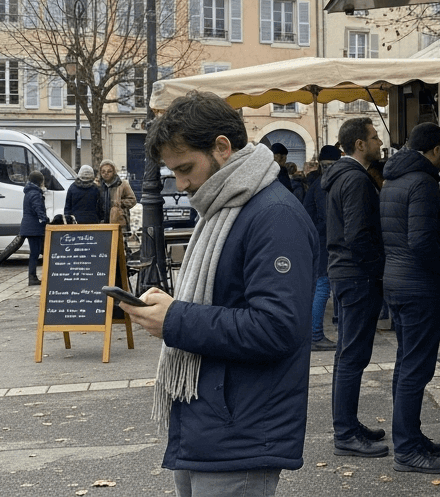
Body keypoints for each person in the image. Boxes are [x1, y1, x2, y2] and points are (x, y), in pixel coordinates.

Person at [118, 91, 316, 497]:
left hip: (240, 431)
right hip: (210, 422)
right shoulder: (225, 206)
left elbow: (277, 328)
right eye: (173, 172)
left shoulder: (274, 215)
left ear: (222, 148)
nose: (181, 183)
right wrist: (172, 312)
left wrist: (175, 318)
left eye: (186, 168)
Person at [380, 123, 440, 474]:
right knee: (415, 368)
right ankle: (407, 449)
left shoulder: (393, 179)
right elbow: (423, 241)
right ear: (436, 149)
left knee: (405, 363)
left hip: (397, 282)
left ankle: (409, 435)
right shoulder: (423, 182)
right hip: (418, 286)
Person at [323, 117, 389, 458]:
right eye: (375, 137)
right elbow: (358, 234)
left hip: (347, 273)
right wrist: (378, 270)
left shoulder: (343, 176)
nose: (380, 142)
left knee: (347, 354)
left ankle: (347, 424)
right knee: (352, 356)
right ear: (360, 144)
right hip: (357, 275)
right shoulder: (356, 179)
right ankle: (345, 432)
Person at [302, 145, 343, 352]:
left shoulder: (319, 182)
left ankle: (315, 334)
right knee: (322, 286)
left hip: (317, 240)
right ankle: (315, 335)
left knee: (321, 285)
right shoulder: (324, 185)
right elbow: (328, 218)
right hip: (322, 242)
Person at [97, 159, 137, 237]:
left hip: (119, 221)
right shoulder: (98, 186)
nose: (106, 174)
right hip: (102, 223)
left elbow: (133, 200)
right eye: (103, 171)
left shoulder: (122, 184)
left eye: (109, 171)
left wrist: (120, 203)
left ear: (114, 172)